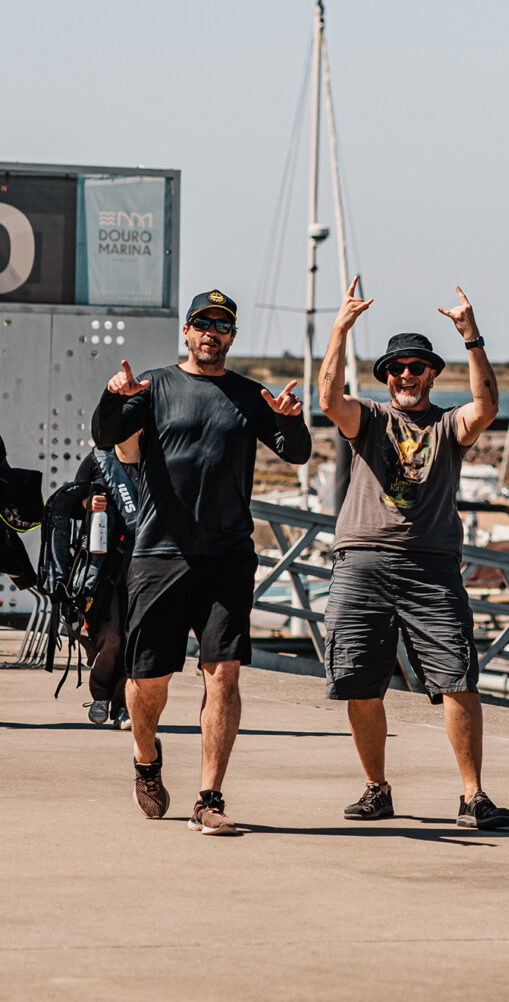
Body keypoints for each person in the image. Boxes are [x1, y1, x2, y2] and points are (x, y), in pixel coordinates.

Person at [92, 289, 311, 836]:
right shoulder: (158, 385)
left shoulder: (246, 394)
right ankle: (146, 760)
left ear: (232, 337)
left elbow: (296, 452)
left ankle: (208, 797)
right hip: (160, 554)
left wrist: (292, 420)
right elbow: (105, 435)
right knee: (149, 682)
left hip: (228, 557)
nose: (213, 332)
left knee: (223, 676)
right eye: (203, 323)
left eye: (223, 325)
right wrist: (112, 396)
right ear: (187, 332)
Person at [319, 277, 509, 830]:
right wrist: (340, 328)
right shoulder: (370, 420)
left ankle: (472, 796)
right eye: (398, 367)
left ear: (431, 374)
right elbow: (328, 399)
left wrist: (471, 335)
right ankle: (376, 788)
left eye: (418, 367)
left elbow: (487, 405)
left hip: (430, 566)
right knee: (358, 679)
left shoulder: (449, 425)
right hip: (361, 562)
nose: (407, 375)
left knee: (457, 676)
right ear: (386, 376)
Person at [75, 431, 141, 730]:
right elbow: (72, 499)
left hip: (144, 564)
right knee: (111, 637)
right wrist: (89, 503)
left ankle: (125, 706)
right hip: (102, 566)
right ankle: (101, 695)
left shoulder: (158, 457)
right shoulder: (98, 459)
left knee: (136, 640)